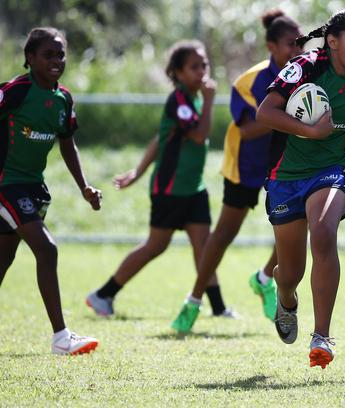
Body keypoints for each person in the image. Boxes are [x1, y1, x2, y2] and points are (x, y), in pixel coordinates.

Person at [255, 5, 345, 369]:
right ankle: (285, 298)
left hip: (331, 169)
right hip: (285, 176)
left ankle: (322, 335)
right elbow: (265, 113)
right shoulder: (304, 68)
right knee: (290, 273)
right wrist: (311, 130)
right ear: (332, 42)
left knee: (323, 232)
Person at [171, 9, 303, 332]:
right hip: (245, 163)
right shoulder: (249, 81)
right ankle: (194, 300)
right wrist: (282, 113)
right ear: (271, 46)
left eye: (301, 44)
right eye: (290, 45)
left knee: (299, 225)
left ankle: (263, 278)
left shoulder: (306, 73)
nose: (297, 51)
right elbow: (246, 129)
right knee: (224, 234)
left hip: (283, 162)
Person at [86, 40, 222, 318]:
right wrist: (210, 101)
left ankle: (219, 308)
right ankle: (103, 295)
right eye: (194, 67)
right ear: (178, 73)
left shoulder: (195, 97)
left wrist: (137, 171)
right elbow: (198, 135)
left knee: (204, 246)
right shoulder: (179, 100)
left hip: (193, 188)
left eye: (204, 65)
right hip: (170, 188)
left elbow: (161, 137)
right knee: (156, 246)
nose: (201, 71)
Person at [0, 27, 102, 355]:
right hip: (6, 185)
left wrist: (84, 186)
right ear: (30, 59)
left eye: (60, 54)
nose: (56, 60)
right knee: (47, 248)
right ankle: (61, 337)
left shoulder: (63, 99)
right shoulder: (15, 91)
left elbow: (67, 143)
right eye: (48, 54)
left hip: (33, 187)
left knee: (3, 259)